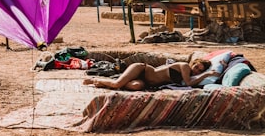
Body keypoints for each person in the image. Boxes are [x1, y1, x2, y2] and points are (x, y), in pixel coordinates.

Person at [82, 58, 214, 91]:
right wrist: (206, 75)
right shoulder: (184, 66)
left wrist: (202, 75)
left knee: (135, 86)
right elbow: (190, 83)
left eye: (199, 70)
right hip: (142, 70)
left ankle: (102, 84)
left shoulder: (191, 74)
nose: (196, 70)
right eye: (196, 66)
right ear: (193, 63)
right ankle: (94, 80)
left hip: (146, 82)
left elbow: (191, 82)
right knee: (117, 84)